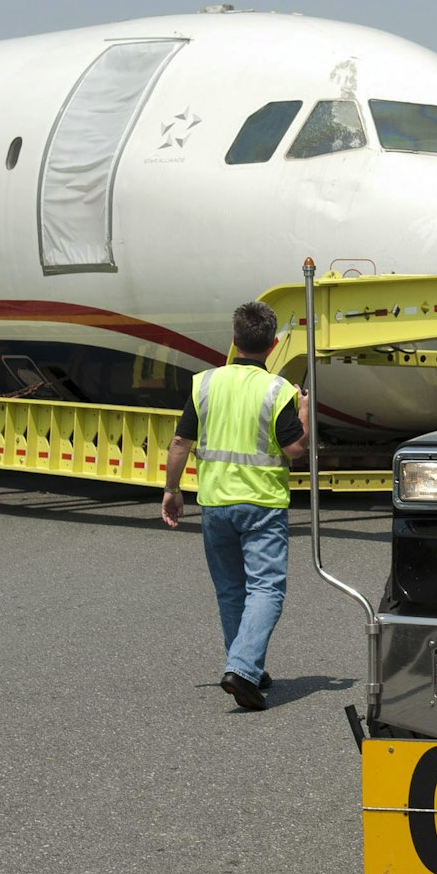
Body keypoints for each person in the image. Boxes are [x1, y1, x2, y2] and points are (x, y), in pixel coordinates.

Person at [160, 301, 309, 710]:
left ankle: (245, 666)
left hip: (215, 504)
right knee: (267, 589)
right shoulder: (279, 390)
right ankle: (242, 669)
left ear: (234, 339)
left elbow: (179, 443)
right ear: (274, 344)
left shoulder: (204, 383)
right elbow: (295, 448)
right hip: (261, 503)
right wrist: (306, 415)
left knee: (231, 590)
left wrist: (172, 489)